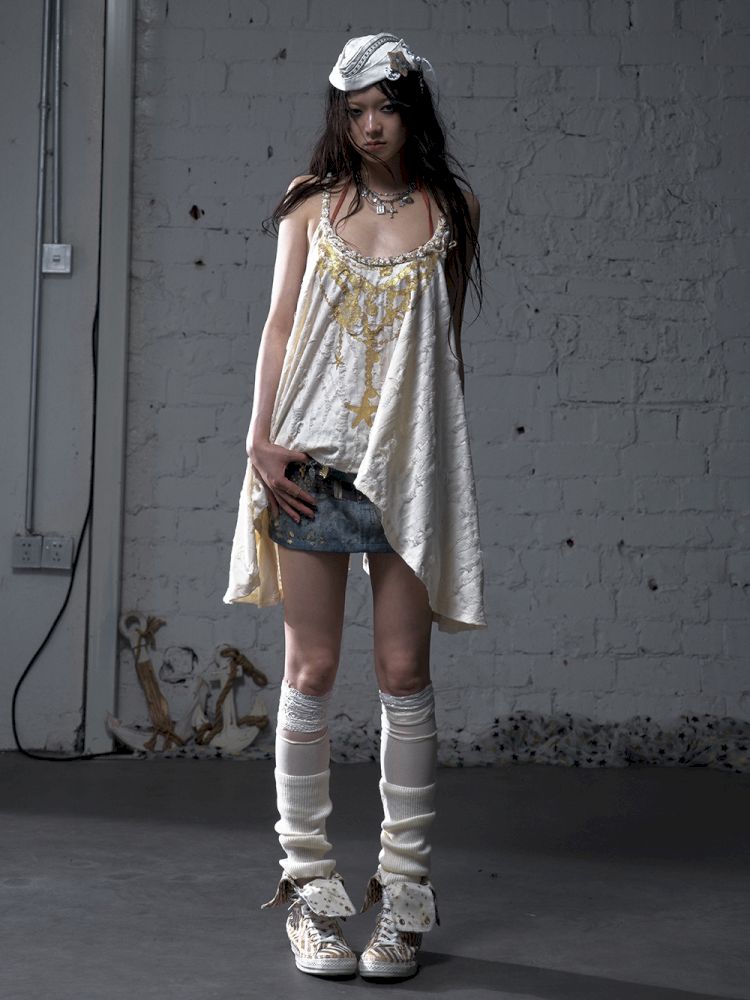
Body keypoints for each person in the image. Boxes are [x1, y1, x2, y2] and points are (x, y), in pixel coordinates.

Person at [223, 32, 487, 979]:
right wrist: (259, 440)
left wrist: (430, 455)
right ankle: (308, 891)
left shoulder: (451, 208)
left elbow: (440, 355)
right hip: (310, 463)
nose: (371, 126)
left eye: (386, 108)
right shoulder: (310, 205)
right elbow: (280, 326)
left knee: (404, 673)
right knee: (312, 667)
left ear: (412, 111)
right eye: (356, 110)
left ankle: (405, 900)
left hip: (407, 466)